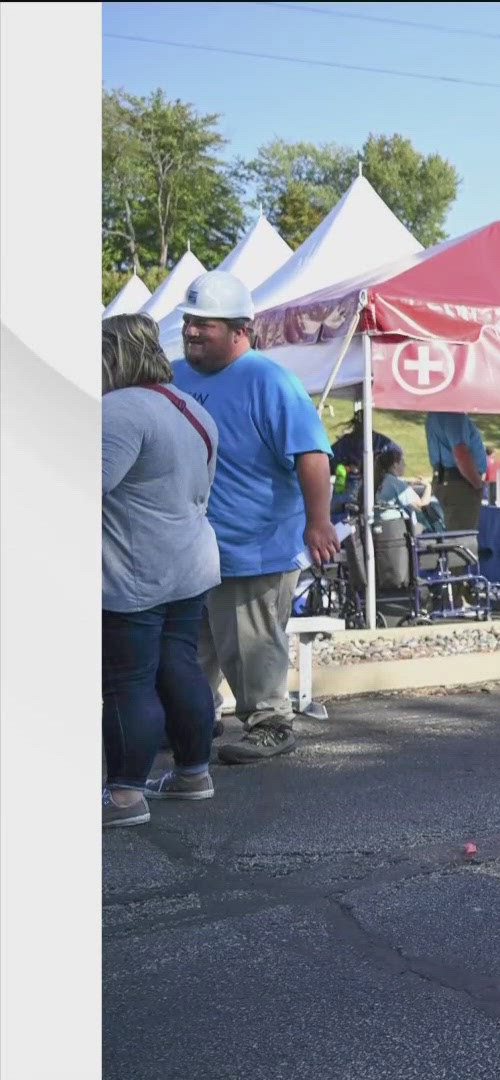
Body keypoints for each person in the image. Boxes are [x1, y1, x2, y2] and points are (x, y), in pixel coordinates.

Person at [169, 270, 338, 764]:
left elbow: (311, 454)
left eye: (207, 324)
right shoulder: (176, 377)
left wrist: (318, 521)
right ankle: (194, 719)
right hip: (190, 544)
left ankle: (270, 724)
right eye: (190, 321)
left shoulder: (270, 380)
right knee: (190, 644)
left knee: (250, 645)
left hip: (255, 545)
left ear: (240, 329)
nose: (193, 330)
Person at [101, 314, 224, 826]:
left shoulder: (119, 410)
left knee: (129, 681)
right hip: (189, 562)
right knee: (179, 665)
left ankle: (125, 796)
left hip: (135, 567)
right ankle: (193, 773)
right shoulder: (190, 408)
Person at [425, 410, 486, 531]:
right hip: (460, 482)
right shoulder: (453, 414)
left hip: (445, 478)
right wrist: (477, 484)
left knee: (454, 533)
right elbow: (460, 452)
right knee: (462, 537)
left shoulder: (434, 413)